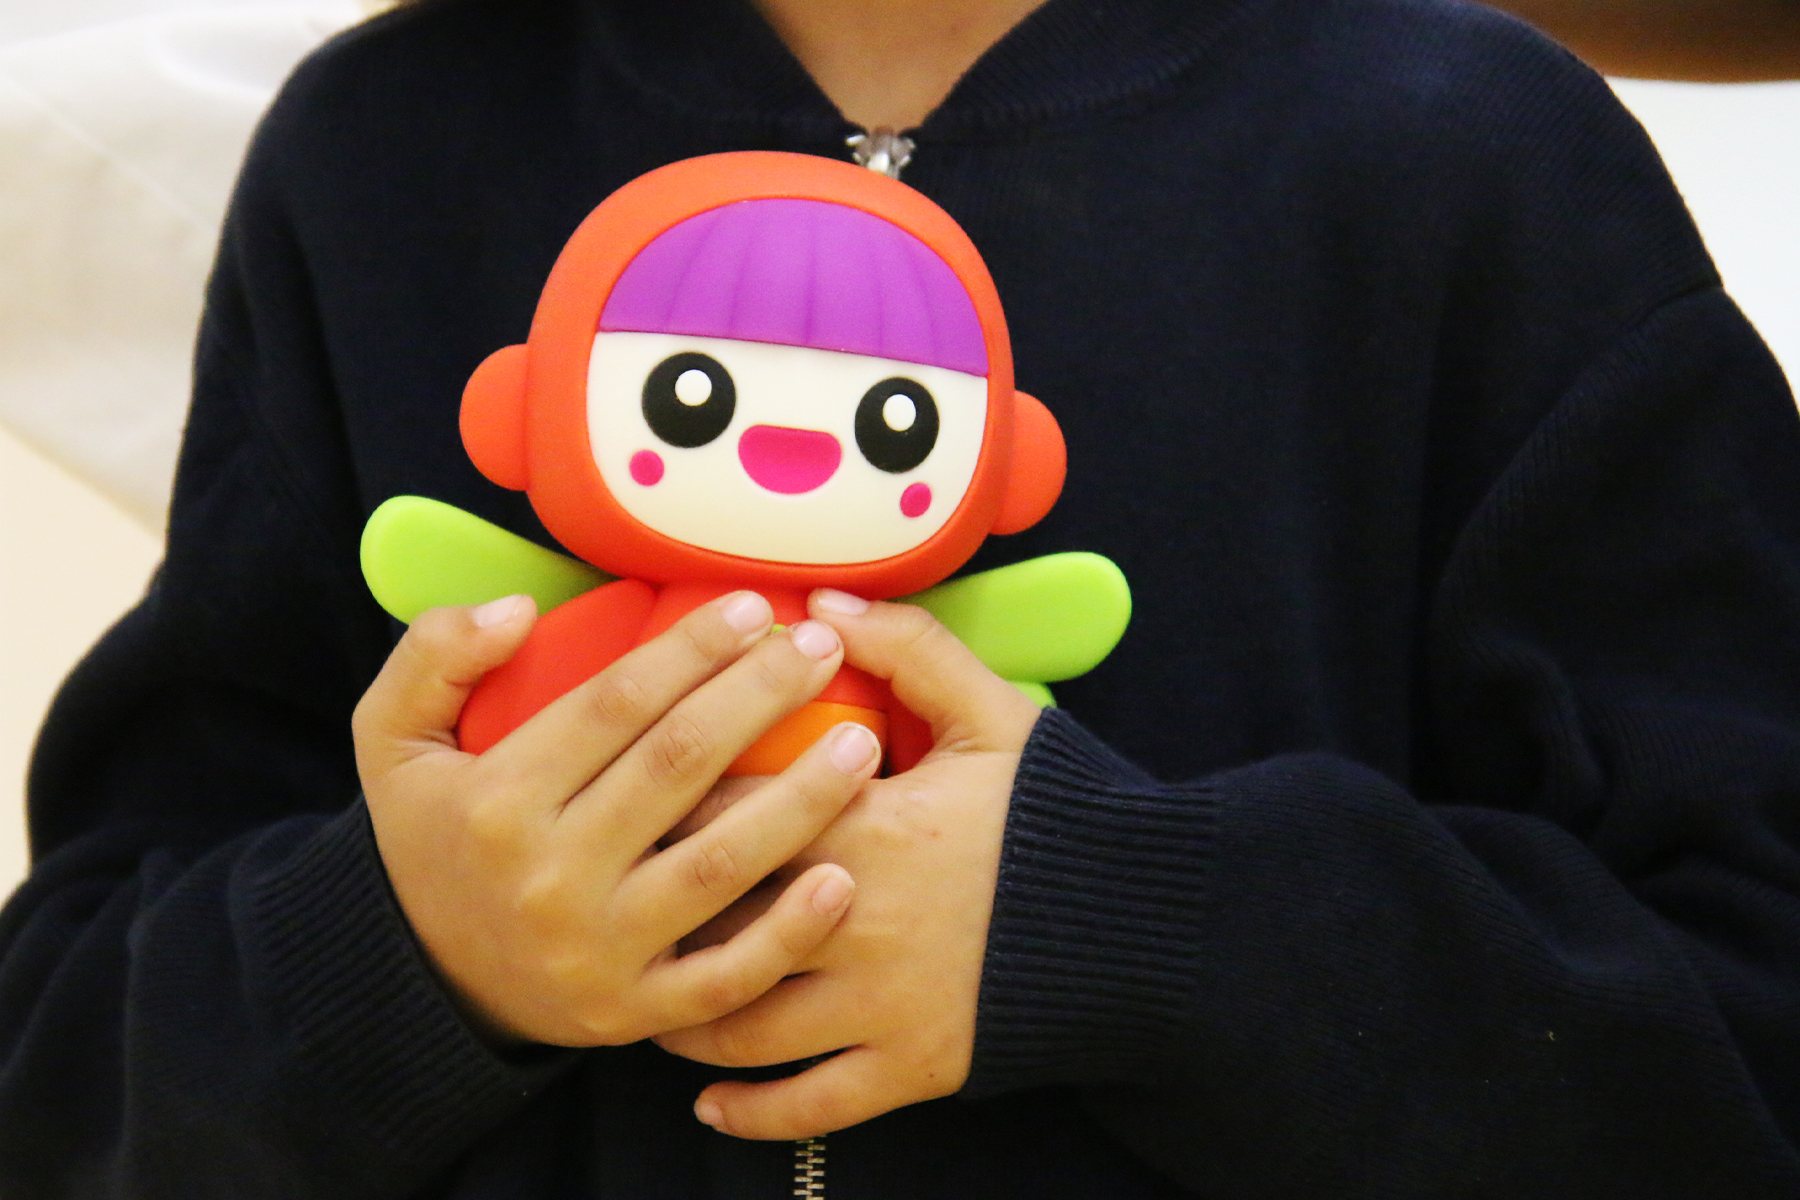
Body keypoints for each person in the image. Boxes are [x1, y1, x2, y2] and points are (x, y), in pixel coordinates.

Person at [3, 0, 1800, 1196]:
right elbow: (64, 1079)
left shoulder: (1474, 160)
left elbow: (1743, 1048)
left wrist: (1148, 934)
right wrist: (411, 955)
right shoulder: (376, 152)